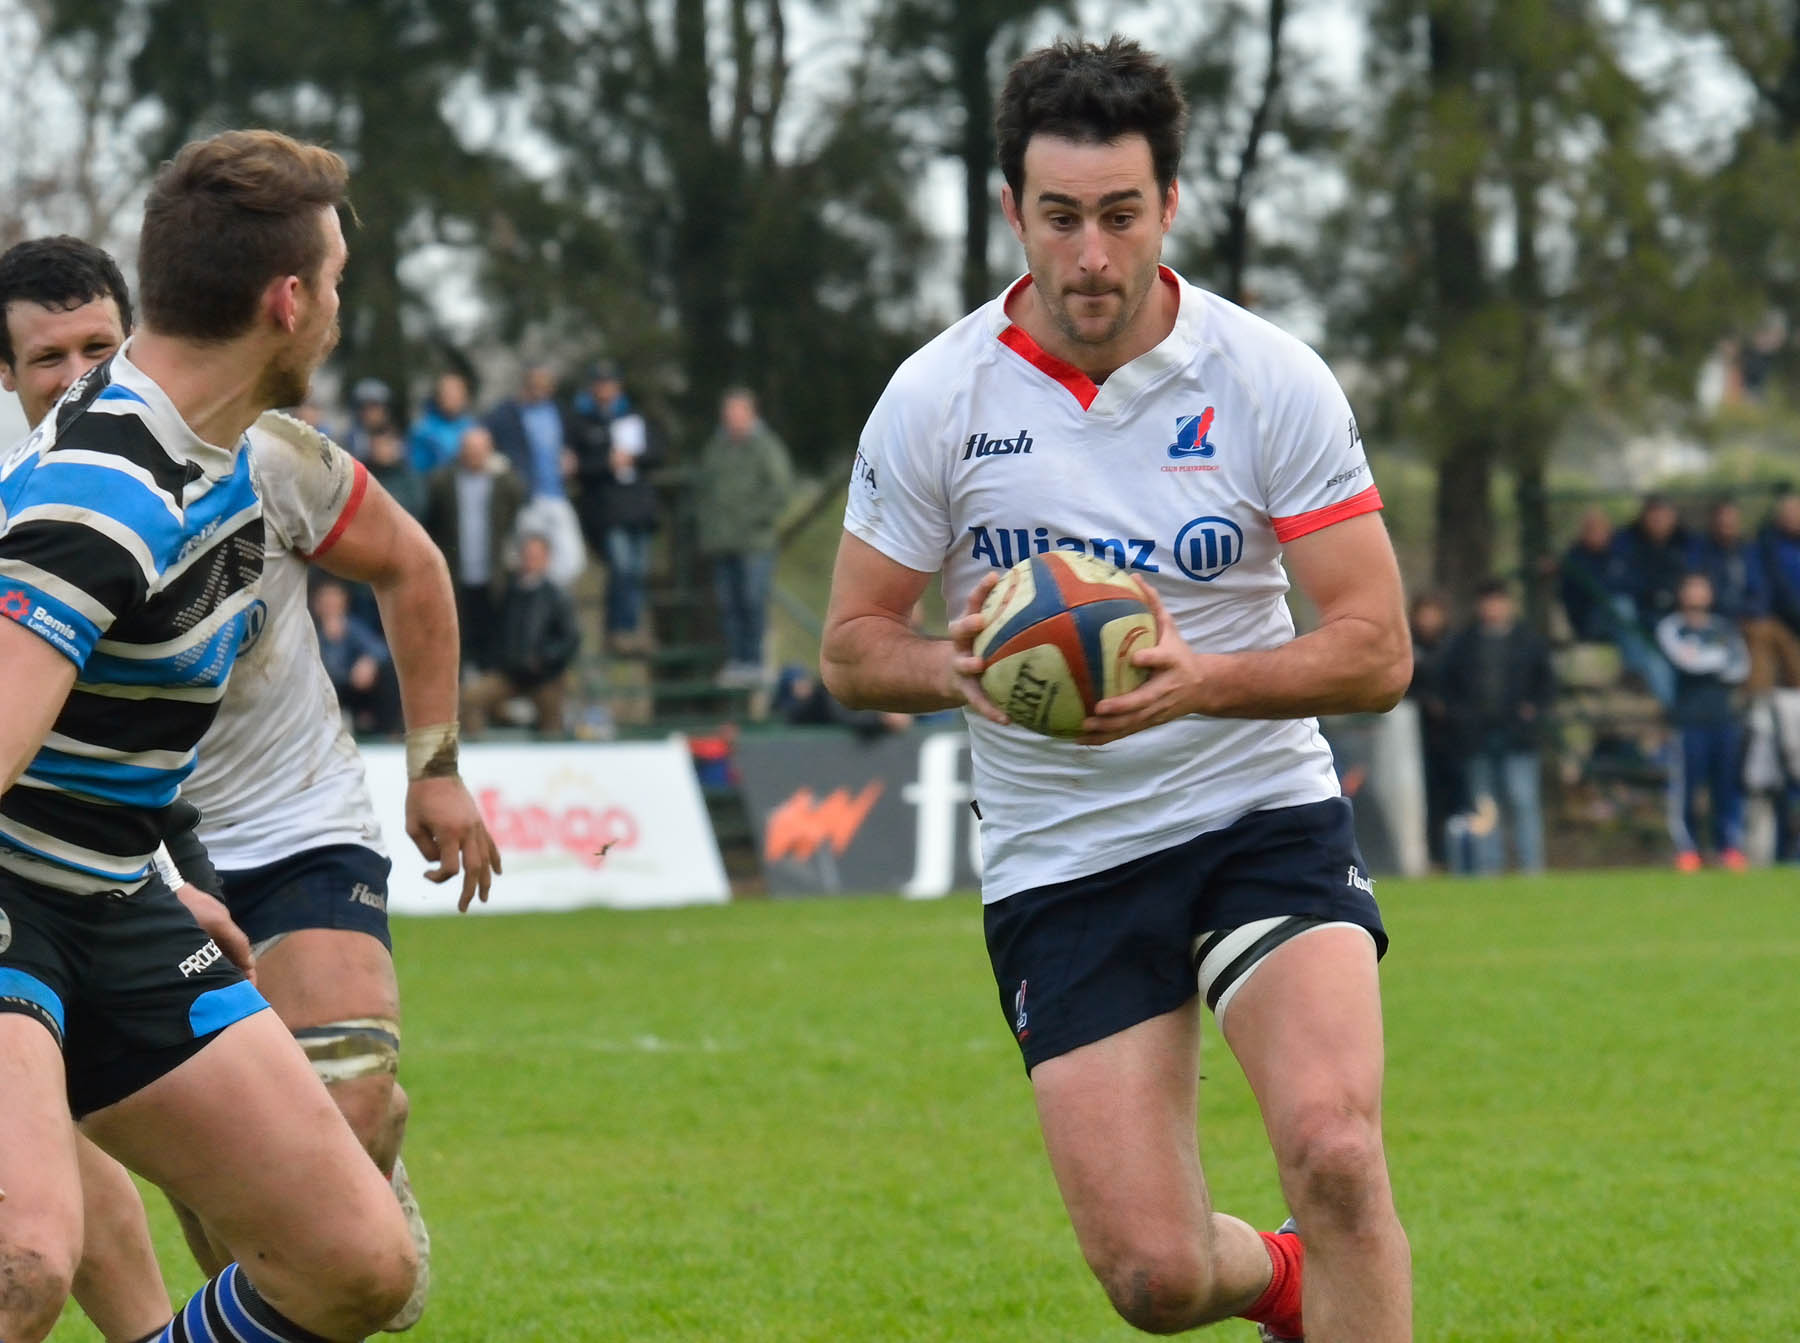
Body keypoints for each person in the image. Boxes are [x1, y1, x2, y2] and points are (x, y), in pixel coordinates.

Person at [820, 38, 1412, 1343]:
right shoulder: (936, 397)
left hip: (1257, 811)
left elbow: (1377, 648)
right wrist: (958, 666)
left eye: (1122, 215)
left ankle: (1329, 1251)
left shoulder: (1266, 377)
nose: (1092, 255)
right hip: (1066, 853)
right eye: (1061, 217)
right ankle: (1283, 1277)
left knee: (1335, 1150)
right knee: (1156, 1279)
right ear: (1011, 212)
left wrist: (1205, 681)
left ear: (1171, 204)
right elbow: (853, 646)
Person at [0, 228, 501, 1331]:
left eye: (98, 345)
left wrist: (437, 768)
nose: (77, 371)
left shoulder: (268, 457)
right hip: (83, 863)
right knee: (34, 1244)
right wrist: (167, 870)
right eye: (48, 356)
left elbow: (413, 563)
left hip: (266, 821)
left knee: (354, 1209)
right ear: (289, 299)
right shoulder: (79, 491)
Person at [1440, 579, 1555, 875]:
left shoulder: (1529, 642)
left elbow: (1546, 685)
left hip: (1518, 736)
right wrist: (1462, 718)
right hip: (1476, 737)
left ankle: (1531, 868)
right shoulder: (1463, 645)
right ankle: (1488, 869)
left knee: (1523, 800)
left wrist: (1532, 711)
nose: (1493, 608)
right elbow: (1448, 687)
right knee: (1483, 806)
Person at [696, 386, 793, 685]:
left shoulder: (766, 447)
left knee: (753, 600)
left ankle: (756, 661)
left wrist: (751, 520)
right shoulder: (716, 447)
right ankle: (737, 661)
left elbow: (780, 489)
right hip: (722, 543)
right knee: (729, 605)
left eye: (737, 412)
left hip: (754, 543)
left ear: (751, 414)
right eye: (728, 413)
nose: (732, 418)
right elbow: (705, 490)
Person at [1656, 572, 1750, 871]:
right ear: (1682, 593)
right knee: (1687, 787)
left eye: (1702, 588)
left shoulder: (1723, 627)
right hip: (1689, 721)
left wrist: (1709, 658)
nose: (1697, 594)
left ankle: (1729, 847)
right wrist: (1717, 659)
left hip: (1723, 718)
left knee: (1727, 785)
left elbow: (1741, 667)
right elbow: (1688, 662)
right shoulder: (1672, 627)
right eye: (1691, 588)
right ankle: (1687, 850)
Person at [569, 360, 658, 652]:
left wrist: (633, 458)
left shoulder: (634, 415)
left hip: (638, 507)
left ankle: (631, 627)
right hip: (607, 509)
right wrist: (606, 463)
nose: (605, 389)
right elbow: (576, 466)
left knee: (638, 570)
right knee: (621, 567)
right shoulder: (581, 422)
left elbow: (657, 450)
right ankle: (617, 629)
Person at [423, 423, 525, 672]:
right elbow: (432, 520)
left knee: (491, 629)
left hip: (492, 571)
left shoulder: (502, 481)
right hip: (457, 570)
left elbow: (519, 501)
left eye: (479, 451)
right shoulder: (444, 481)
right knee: (459, 630)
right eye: (469, 450)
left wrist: (505, 471)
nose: (474, 456)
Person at [460, 531, 581, 737]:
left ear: (546, 559)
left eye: (536, 556)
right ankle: (477, 746)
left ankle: (551, 751)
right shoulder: (509, 593)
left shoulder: (557, 597)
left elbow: (570, 639)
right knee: (470, 699)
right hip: (509, 674)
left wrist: (543, 659)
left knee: (553, 720)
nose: (530, 561)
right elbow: (496, 632)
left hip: (544, 676)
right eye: (527, 555)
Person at [484, 364, 586, 586]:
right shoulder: (506, 413)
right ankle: (529, 602)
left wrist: (572, 455)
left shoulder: (558, 411)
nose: (540, 391)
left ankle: (550, 598)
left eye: (545, 387)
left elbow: (575, 441)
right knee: (527, 559)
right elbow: (485, 440)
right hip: (526, 497)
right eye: (535, 386)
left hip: (557, 494)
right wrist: (504, 468)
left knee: (571, 560)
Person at [1405, 594, 1462, 870]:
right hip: (1417, 738)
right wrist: (1425, 702)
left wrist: (1449, 708)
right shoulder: (1407, 646)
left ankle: (1459, 856)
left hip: (1454, 736)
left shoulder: (1455, 647)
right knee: (1427, 800)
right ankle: (1433, 857)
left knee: (1456, 798)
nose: (1428, 620)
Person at [312, 578, 401, 735]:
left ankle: (387, 732)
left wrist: (369, 662)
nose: (331, 604)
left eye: (335, 598)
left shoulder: (352, 627)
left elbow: (381, 650)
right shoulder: (310, 629)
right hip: (322, 690)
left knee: (388, 673)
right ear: (317, 604)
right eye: (326, 600)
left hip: (353, 688)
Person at [1557, 507, 1629, 643]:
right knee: (1623, 609)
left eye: (1601, 528)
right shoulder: (1575, 558)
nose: (1597, 534)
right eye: (1591, 529)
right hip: (1589, 622)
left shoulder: (1618, 554)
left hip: (1621, 619)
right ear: (1583, 533)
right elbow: (1586, 596)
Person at [407, 370, 475, 475]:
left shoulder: (472, 427)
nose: (453, 398)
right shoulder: (423, 430)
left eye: (457, 393)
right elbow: (416, 469)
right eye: (448, 394)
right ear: (438, 397)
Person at [365, 422, 425, 519]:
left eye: (387, 444)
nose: (382, 450)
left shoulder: (410, 476)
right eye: (378, 445)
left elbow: (417, 508)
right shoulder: (365, 475)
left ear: (398, 446)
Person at [341, 375, 395, 462]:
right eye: (364, 408)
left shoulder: (396, 437)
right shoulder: (350, 440)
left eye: (375, 406)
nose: (370, 413)